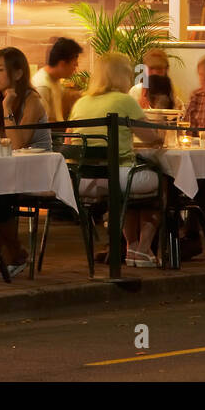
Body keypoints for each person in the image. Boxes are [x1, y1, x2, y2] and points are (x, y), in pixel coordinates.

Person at [67, 52, 163, 267]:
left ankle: (132, 247)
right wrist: (160, 134)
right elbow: (150, 137)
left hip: (83, 181)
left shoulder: (81, 103)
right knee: (164, 180)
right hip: (117, 176)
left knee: (129, 191)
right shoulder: (125, 101)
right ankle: (142, 248)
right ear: (122, 76)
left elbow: (69, 139)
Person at [0, 47, 51, 278]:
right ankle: (14, 252)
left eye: (0, 69)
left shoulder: (32, 101)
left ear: (18, 74)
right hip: (6, 172)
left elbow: (17, 143)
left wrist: (7, 109)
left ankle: (11, 256)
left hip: (36, 171)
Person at [31, 37, 82, 124]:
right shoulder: (42, 86)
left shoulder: (55, 80)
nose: (75, 69)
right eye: (74, 65)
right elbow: (42, 125)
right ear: (62, 64)